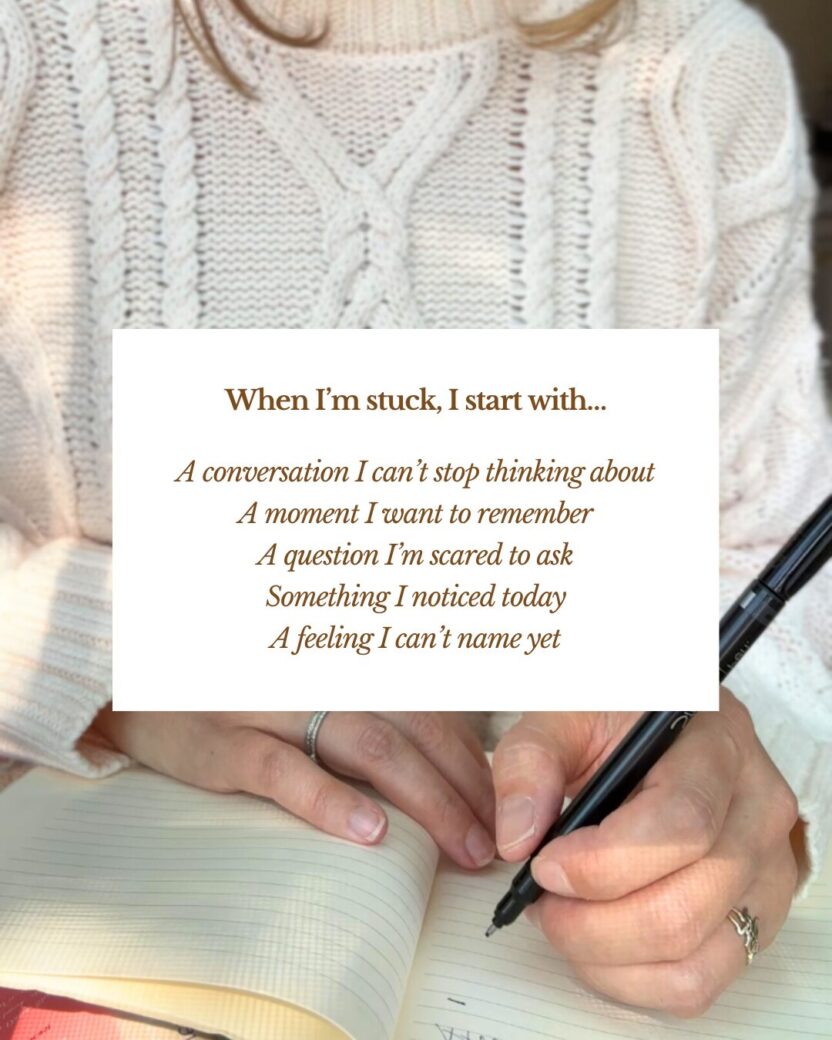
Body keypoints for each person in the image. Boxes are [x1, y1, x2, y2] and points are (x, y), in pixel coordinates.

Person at [0, 0, 830, 1017]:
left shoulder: (700, 79)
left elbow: (776, 565)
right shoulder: (29, 45)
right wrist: (101, 658)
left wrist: (746, 765)